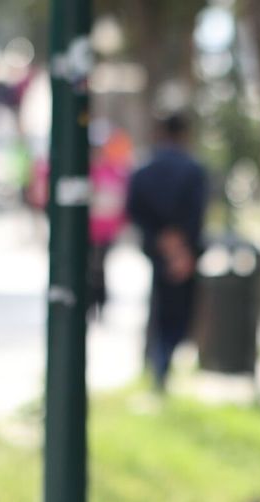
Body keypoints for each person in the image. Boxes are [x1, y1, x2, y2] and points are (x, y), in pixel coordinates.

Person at [125, 112, 208, 391]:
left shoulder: (144, 170)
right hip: (182, 253)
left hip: (158, 250)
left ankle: (157, 365)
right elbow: (196, 213)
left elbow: (134, 208)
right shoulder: (193, 170)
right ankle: (161, 366)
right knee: (177, 312)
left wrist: (161, 238)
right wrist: (181, 247)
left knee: (160, 307)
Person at [87, 125, 134, 321]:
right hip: (89, 231)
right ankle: (91, 302)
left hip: (105, 232)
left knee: (99, 267)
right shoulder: (89, 171)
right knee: (91, 267)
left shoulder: (114, 172)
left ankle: (100, 303)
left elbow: (121, 201)